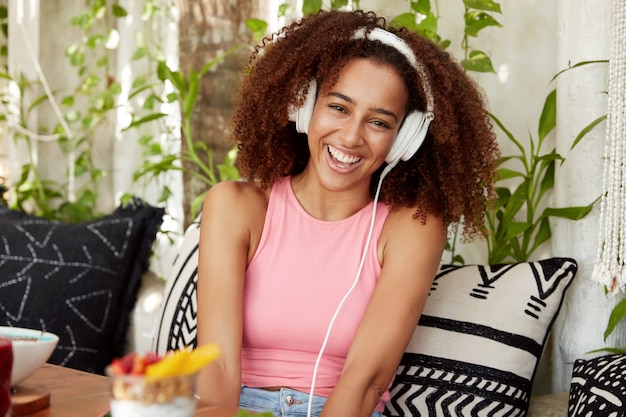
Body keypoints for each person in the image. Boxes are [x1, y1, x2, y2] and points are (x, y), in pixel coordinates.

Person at [195, 9, 499, 417]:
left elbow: (366, 380)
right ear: (304, 107)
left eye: (378, 121)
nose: (352, 137)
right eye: (339, 108)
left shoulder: (410, 227)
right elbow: (216, 366)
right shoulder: (236, 207)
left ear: (403, 140)